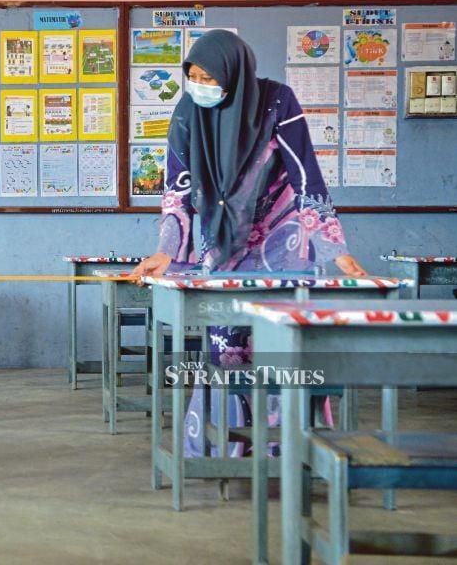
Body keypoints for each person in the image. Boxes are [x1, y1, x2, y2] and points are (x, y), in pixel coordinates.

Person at [131, 30, 367, 457]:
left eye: (209, 76)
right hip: (224, 249)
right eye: (194, 76)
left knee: (285, 352)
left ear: (233, 72)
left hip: (284, 249)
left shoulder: (277, 102)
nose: (200, 85)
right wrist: (166, 250)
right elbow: (177, 195)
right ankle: (229, 454)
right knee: (227, 352)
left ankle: (291, 453)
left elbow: (306, 179)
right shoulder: (187, 115)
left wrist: (336, 250)